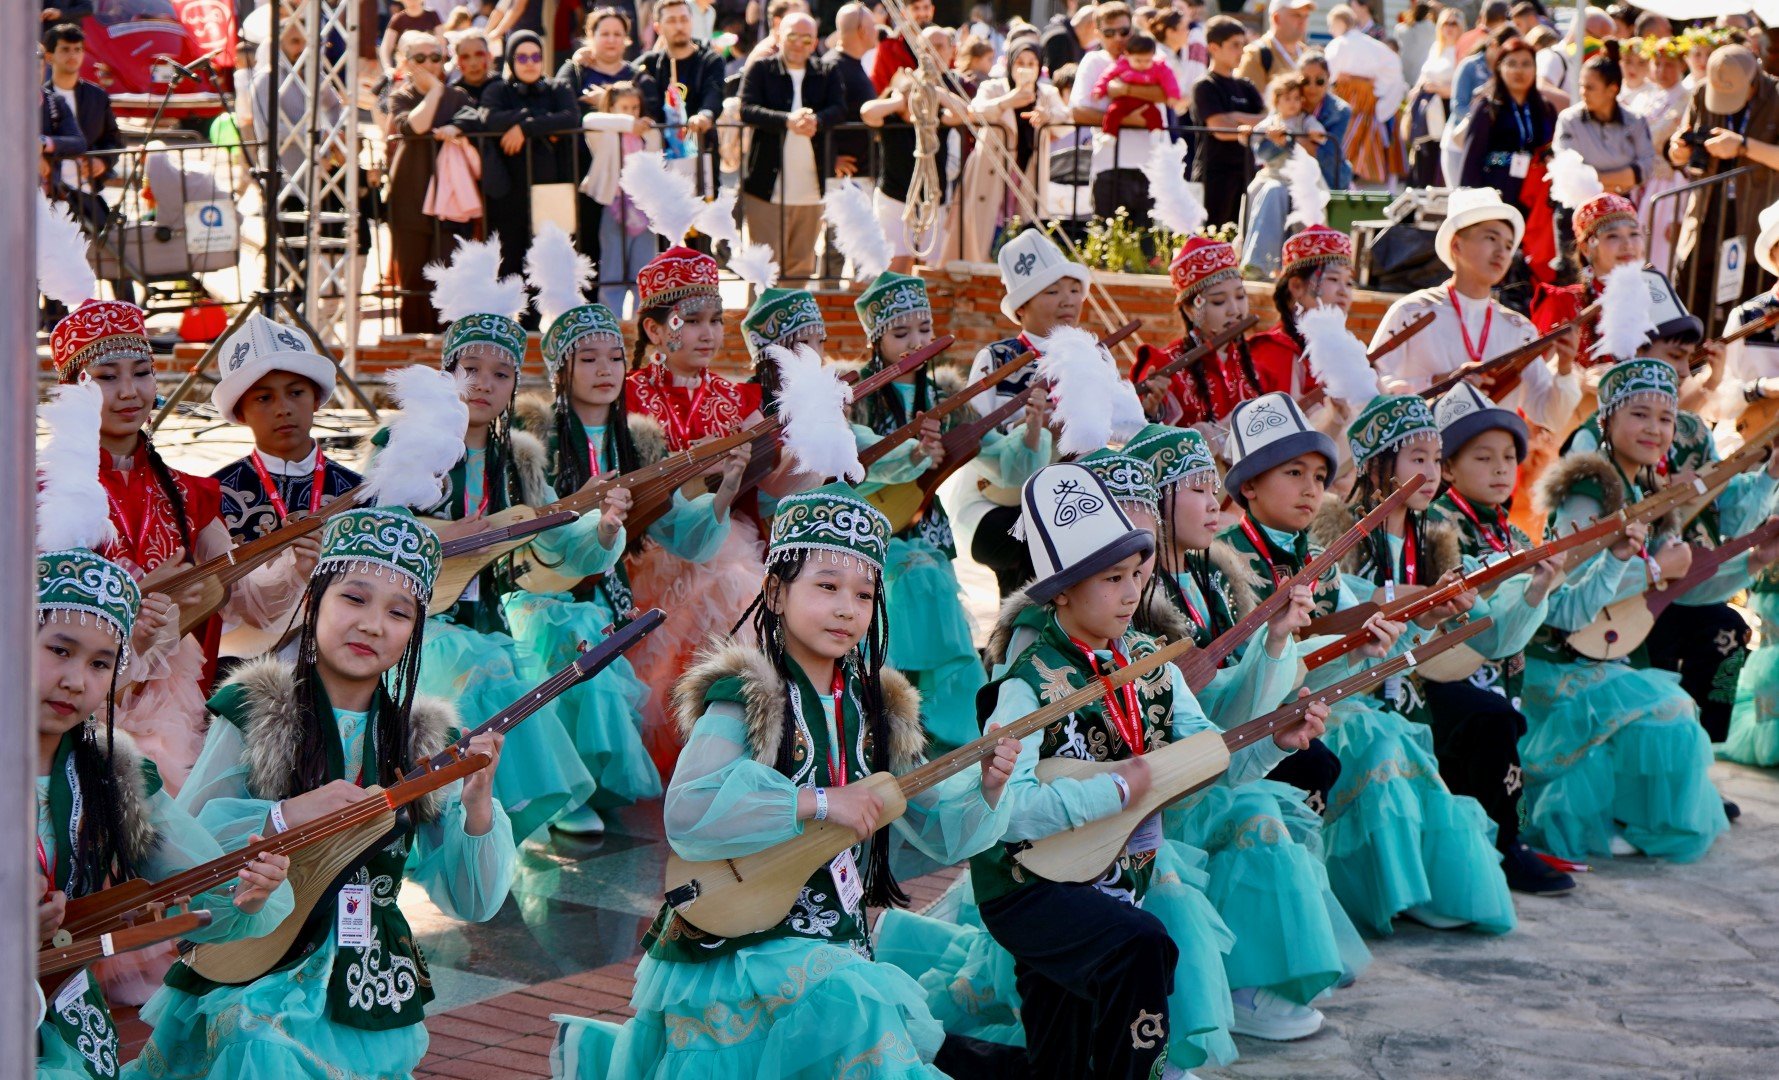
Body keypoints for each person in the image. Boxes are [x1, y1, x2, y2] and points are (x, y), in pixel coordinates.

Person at [554, 484, 1019, 1079]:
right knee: (860, 1019)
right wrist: (819, 801)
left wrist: (987, 789)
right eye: (826, 587)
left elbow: (939, 832)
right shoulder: (749, 696)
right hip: (746, 944)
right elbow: (689, 812)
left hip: (836, 943)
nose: (848, 608)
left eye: (864, 593)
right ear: (774, 592)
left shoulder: (876, 709)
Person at [134, 499, 518, 1077]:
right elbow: (183, 850)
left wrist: (478, 803)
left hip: (367, 970)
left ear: (416, 631)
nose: (371, 624)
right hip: (260, 953)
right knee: (261, 1044)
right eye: (354, 597)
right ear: (313, 601)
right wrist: (283, 817)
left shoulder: (423, 740)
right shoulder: (260, 709)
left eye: (399, 613)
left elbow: (475, 901)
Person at [971, 460, 1328, 1077]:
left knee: (1060, 1052)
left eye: (1138, 574)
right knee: (1142, 949)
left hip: (1109, 871)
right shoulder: (1026, 682)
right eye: (1112, 579)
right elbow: (1009, 812)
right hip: (1031, 885)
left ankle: (954, 1061)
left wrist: (1275, 745)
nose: (1133, 593)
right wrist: (1116, 788)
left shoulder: (1149, 663)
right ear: (1061, 591)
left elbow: (1205, 759)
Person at [31, 382, 294, 1080]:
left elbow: (215, 899)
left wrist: (254, 892)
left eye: (97, 663)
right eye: (57, 651)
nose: (76, 682)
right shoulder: (38, 487)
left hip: (64, 1035)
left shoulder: (118, 778)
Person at [1222, 393, 1516, 935]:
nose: (1313, 488)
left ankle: (1411, 889)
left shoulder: (1318, 555)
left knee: (1406, 743)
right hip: (1257, 718)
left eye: (1318, 474)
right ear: (1248, 485)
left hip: (1335, 695)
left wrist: (1411, 620)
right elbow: (1247, 668)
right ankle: (1374, 895)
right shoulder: (1226, 557)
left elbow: (1345, 624)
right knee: (1376, 744)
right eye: (1294, 473)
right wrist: (1367, 631)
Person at [509, 235, 747, 833]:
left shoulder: (635, 440)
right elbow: (527, 532)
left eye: (613, 358)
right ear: (560, 369)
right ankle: (564, 791)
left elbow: (679, 530)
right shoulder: (534, 439)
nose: (605, 371)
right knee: (573, 638)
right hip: (552, 589)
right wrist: (594, 522)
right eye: (587, 360)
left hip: (609, 584)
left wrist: (725, 489)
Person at [401, 242, 617, 842]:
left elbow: (549, 540)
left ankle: (511, 813)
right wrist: (444, 535)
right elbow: (377, 527)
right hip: (415, 618)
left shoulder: (518, 461)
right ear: (448, 375)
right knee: (493, 675)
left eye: (501, 374)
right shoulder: (410, 445)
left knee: (505, 672)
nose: (483, 384)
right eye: (469, 370)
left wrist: (598, 528)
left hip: (489, 615)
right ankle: (462, 821)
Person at [1524, 358, 1776, 862]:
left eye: (1666, 419)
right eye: (1639, 415)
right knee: (1673, 709)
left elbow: (1683, 582)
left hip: (1621, 641)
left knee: (1722, 640)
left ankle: (1627, 807)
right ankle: (1600, 814)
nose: (1655, 429)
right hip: (1562, 653)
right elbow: (1570, 596)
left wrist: (1753, 561)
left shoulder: (1651, 491)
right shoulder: (1589, 488)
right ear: (1608, 419)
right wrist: (1656, 570)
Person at [847, 269, 1046, 752]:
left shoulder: (946, 397)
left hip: (925, 529)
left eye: (923, 330)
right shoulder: (859, 397)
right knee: (892, 613)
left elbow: (1003, 460)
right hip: (874, 526)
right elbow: (857, 457)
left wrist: (1034, 429)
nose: (916, 342)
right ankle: (878, 725)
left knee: (934, 600)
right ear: (876, 338)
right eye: (900, 334)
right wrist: (910, 455)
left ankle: (944, 737)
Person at [1371, 187, 1581, 436]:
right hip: (1422, 456)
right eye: (1491, 238)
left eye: (1508, 245)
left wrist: (1565, 367)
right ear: (1457, 245)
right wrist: (1441, 382)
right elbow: (1372, 390)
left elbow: (1548, 414)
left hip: (1489, 464)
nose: (1502, 252)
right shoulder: (1411, 311)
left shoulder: (1518, 329)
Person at [941, 229, 1066, 598]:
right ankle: (1015, 648)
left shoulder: (1091, 356)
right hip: (996, 496)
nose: (1068, 300)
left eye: (1073, 290)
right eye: (1053, 291)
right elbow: (974, 433)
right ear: (1022, 305)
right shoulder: (996, 358)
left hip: (1061, 493)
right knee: (1036, 551)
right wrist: (1025, 430)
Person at [1666, 43, 1779, 321]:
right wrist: (1678, 151)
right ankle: (1689, 358)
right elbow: (1677, 146)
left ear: (1754, 81)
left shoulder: (1776, 96)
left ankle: (1734, 359)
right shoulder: (1703, 91)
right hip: (1706, 210)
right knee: (1690, 290)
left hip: (1756, 214)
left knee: (1748, 298)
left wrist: (1742, 145)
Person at [456, 30, 579, 284]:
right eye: (522, 58)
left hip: (550, 185)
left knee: (548, 258)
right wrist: (543, 119)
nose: (530, 63)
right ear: (511, 60)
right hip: (508, 190)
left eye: (536, 57)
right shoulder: (498, 90)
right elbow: (488, 118)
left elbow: (570, 117)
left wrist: (525, 128)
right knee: (509, 258)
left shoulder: (557, 88)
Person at [739, 11, 843, 284]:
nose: (799, 44)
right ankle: (760, 325)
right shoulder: (761, 69)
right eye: (792, 36)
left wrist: (816, 121)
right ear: (779, 36)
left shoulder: (827, 71)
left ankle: (793, 326)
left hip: (810, 186)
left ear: (815, 42)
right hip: (765, 185)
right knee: (764, 270)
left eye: (806, 39)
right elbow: (747, 110)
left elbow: (839, 109)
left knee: (800, 267)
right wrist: (787, 121)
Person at [385, 31, 478, 334]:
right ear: (405, 62)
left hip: (450, 200)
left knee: (447, 273)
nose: (429, 64)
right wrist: (435, 91)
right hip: (410, 194)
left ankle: (448, 346)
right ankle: (413, 344)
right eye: (420, 58)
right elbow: (416, 125)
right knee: (412, 277)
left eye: (436, 57)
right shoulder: (401, 95)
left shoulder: (460, 97)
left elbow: (472, 124)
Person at [557, 8, 660, 271]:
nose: (611, 40)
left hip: (630, 181)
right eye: (604, 34)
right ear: (590, 36)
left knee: (636, 255)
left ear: (627, 39)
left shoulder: (639, 77)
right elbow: (564, 109)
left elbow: (651, 117)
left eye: (618, 34)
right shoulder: (575, 71)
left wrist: (601, 100)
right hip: (587, 172)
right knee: (587, 246)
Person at [1129, 237, 1262, 429]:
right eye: (1219, 301)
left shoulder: (1250, 358)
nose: (1235, 310)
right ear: (1190, 310)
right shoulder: (1164, 365)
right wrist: (1151, 413)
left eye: (1240, 296)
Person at [959, 40, 1070, 264]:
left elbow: (1066, 121)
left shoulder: (1046, 93)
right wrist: (1008, 101)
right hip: (993, 171)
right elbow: (974, 111)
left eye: (1032, 63)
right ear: (1010, 64)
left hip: (1026, 172)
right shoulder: (994, 88)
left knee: (1022, 230)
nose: (1026, 69)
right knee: (987, 230)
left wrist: (1048, 117)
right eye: (1020, 62)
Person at [861, 68, 968, 274]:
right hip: (894, 199)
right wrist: (899, 101)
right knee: (896, 262)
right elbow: (867, 112)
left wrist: (936, 93)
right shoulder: (890, 119)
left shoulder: (936, 119)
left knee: (930, 265)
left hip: (931, 201)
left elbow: (964, 111)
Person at [1072, 2, 1161, 225]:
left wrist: (1126, 89)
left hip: (1150, 166)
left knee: (1148, 252)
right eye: (1109, 33)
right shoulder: (1093, 61)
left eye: (1124, 31)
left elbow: (1169, 94)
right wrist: (1125, 119)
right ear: (1097, 33)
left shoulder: (1151, 57)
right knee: (1107, 250)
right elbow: (1078, 112)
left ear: (1132, 29)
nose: (1118, 38)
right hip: (1109, 167)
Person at [1248, 224, 1356, 397]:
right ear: (1296, 286)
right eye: (1334, 279)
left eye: (1349, 282)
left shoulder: (1346, 347)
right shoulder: (1273, 351)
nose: (1344, 291)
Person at [1554, 41, 1655, 202]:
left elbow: (1646, 168)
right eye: (1581, 86)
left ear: (1612, 90)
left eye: (1590, 87)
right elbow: (1569, 173)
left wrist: (1594, 180)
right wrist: (1620, 181)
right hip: (1576, 207)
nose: (1583, 93)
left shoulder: (1636, 121)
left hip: (1622, 206)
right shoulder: (1568, 120)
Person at [1189, 16, 1264, 230]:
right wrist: (1241, 123)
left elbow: (1268, 120)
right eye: (1235, 45)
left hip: (1247, 171)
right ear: (1214, 47)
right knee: (1212, 236)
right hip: (1214, 173)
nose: (1241, 51)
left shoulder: (1246, 86)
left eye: (1243, 44)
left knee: (1240, 235)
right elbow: (1219, 127)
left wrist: (1234, 116)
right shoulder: (1205, 85)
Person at [636, 0, 726, 177]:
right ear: (658, 28)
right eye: (671, 21)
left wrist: (705, 115)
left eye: (684, 19)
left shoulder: (710, 60)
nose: (679, 26)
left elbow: (713, 93)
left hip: (700, 149)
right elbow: (622, 75)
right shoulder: (649, 63)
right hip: (661, 155)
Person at [1326, 3, 1405, 186]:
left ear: (1339, 23)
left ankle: (1349, 179)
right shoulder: (1371, 45)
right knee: (1361, 141)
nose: (1331, 30)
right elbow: (1393, 67)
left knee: (1346, 142)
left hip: (1346, 99)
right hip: (1367, 101)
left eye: (1332, 25)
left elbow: (1329, 72)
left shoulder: (1339, 44)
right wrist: (1378, 91)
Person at [1092, 31, 1186, 133]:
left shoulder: (1158, 67)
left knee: (1155, 114)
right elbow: (1106, 76)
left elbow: (1169, 79)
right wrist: (1099, 89)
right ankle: (1109, 134)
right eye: (1138, 60)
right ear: (1127, 55)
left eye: (1147, 60)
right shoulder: (1121, 65)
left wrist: (1173, 95)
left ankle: (1156, 134)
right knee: (1113, 112)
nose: (1143, 64)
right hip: (1123, 102)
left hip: (1146, 103)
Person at [1236, 0, 1313, 90]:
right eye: (1297, 15)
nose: (1303, 21)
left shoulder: (1308, 54)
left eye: (1306, 16)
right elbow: (1249, 101)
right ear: (1276, 19)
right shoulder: (1256, 55)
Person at [869, 0, 933, 90]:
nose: (922, 13)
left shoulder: (943, 43)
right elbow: (877, 89)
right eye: (916, 8)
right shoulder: (887, 48)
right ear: (904, 13)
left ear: (932, 10)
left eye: (926, 7)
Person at [380, 0, 443, 74]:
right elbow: (386, 47)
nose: (412, 1)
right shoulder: (398, 19)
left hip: (431, 66)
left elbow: (442, 43)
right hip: (407, 69)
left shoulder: (432, 15)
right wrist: (388, 68)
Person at [1042, 2, 1098, 76]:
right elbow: (1058, 77)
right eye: (1098, 31)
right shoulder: (1061, 39)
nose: (1098, 37)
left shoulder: (1071, 37)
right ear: (1091, 26)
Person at [1392, 1, 1439, 85]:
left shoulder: (1400, 29)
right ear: (1428, 14)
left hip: (1404, 72)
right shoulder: (1431, 29)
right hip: (1422, 74)